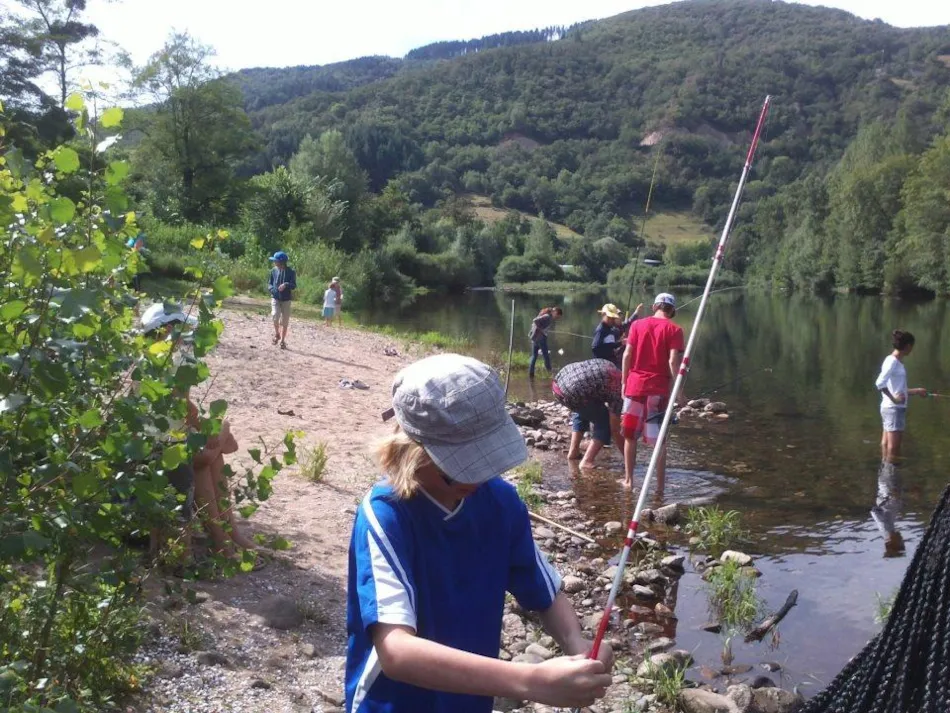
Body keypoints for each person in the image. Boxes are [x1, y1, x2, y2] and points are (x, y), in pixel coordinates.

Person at [345, 354, 613, 713]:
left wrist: (576, 641)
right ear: (410, 449)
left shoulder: (500, 502)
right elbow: (396, 651)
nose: (475, 480)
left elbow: (544, 592)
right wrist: (530, 681)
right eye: (458, 469)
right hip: (392, 704)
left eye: (485, 463)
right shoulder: (386, 516)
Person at [140, 304, 259, 562]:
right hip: (167, 446)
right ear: (169, 329)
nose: (185, 335)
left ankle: (225, 539)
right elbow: (182, 404)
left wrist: (205, 429)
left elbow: (177, 408)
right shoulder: (175, 361)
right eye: (181, 328)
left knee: (210, 456)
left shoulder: (146, 360)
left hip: (154, 443)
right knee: (213, 448)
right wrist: (212, 431)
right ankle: (226, 539)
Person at [621, 293, 685, 491]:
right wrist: (680, 392)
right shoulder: (675, 329)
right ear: (672, 310)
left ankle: (629, 481)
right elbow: (673, 361)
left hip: (635, 386)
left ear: (654, 306)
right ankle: (659, 487)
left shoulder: (637, 325)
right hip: (658, 389)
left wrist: (624, 383)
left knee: (630, 436)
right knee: (659, 441)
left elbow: (626, 355)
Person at [553, 358, 625, 468]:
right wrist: (628, 455)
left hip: (558, 384)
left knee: (582, 409)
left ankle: (573, 452)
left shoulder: (610, 365)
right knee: (605, 421)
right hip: (573, 391)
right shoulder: (619, 390)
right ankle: (587, 461)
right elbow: (615, 429)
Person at [875, 329, 928, 462]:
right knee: (894, 448)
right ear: (908, 346)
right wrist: (895, 399)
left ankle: (885, 478)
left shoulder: (892, 360)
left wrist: (917, 391)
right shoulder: (893, 362)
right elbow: (879, 383)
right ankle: (890, 478)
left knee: (886, 444)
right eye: (912, 347)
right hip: (894, 409)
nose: (912, 350)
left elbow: (898, 389)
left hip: (889, 408)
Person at [267, 251, 296, 349]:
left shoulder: (291, 272)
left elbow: (294, 285)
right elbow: (270, 283)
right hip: (275, 298)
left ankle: (283, 341)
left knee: (284, 322)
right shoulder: (273, 270)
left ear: (282, 262)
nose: (274, 263)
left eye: (275, 261)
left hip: (286, 300)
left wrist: (286, 284)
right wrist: (271, 289)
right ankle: (277, 334)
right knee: (275, 316)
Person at [528, 306, 563, 378]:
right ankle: (551, 373)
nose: (557, 318)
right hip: (540, 338)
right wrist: (541, 330)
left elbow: (539, 324)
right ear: (555, 312)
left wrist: (543, 329)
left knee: (534, 356)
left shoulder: (548, 315)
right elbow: (535, 320)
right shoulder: (547, 316)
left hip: (535, 337)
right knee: (546, 356)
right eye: (557, 316)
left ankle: (531, 374)